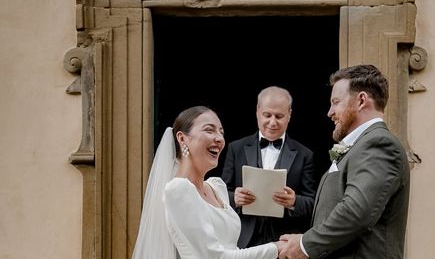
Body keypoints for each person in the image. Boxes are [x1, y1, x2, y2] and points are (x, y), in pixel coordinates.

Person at [278, 65, 411, 259]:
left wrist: (305, 245)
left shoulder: (379, 144)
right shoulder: (362, 145)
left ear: (361, 100)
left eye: (335, 102)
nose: (329, 112)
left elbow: (356, 211)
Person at [131, 105, 284, 259]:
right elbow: (213, 256)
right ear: (182, 138)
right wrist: (275, 249)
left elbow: (232, 249)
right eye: (209, 130)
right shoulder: (178, 190)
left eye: (221, 132)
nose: (219, 139)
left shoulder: (216, 187)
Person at [222, 86, 315, 248]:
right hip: (242, 240)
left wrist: (294, 201)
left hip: (284, 242)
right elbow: (220, 194)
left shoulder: (305, 154)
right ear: (258, 112)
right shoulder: (235, 148)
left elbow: (312, 202)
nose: (272, 122)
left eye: (279, 116)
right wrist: (234, 198)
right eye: (267, 115)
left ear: (289, 115)